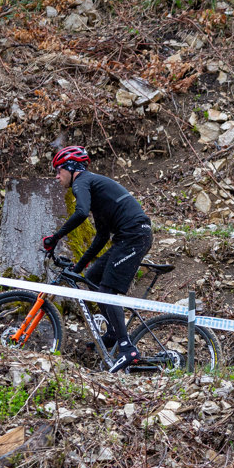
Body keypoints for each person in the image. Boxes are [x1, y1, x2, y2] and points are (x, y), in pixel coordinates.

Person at [41, 146, 154, 373]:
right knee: (91, 277)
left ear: (71, 169)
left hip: (134, 237)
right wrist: (79, 267)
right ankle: (113, 332)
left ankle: (127, 349)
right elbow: (101, 236)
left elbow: (81, 212)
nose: (56, 176)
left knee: (106, 292)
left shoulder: (81, 182)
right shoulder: (95, 191)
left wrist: (55, 237)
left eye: (58, 170)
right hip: (127, 237)